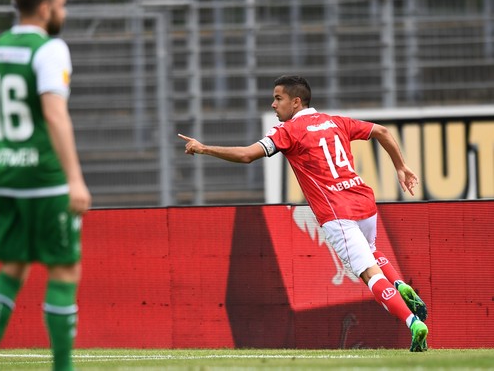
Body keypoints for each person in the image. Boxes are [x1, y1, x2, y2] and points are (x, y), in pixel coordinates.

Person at [179, 75, 429, 352]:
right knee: (371, 250)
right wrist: (401, 167)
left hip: (336, 212)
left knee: (369, 275)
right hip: (363, 199)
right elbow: (381, 131)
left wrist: (204, 148)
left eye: (278, 98)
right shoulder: (336, 121)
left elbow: (247, 155)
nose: (273, 105)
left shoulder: (287, 132)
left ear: (296, 102)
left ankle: (412, 321)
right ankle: (399, 284)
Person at [0, 0, 91, 369]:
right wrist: (74, 178)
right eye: (61, 5)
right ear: (44, 9)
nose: (64, 12)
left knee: (13, 267)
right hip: (44, 176)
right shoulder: (50, 49)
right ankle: (62, 367)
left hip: (5, 173)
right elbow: (54, 113)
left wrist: (7, 138)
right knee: (64, 267)